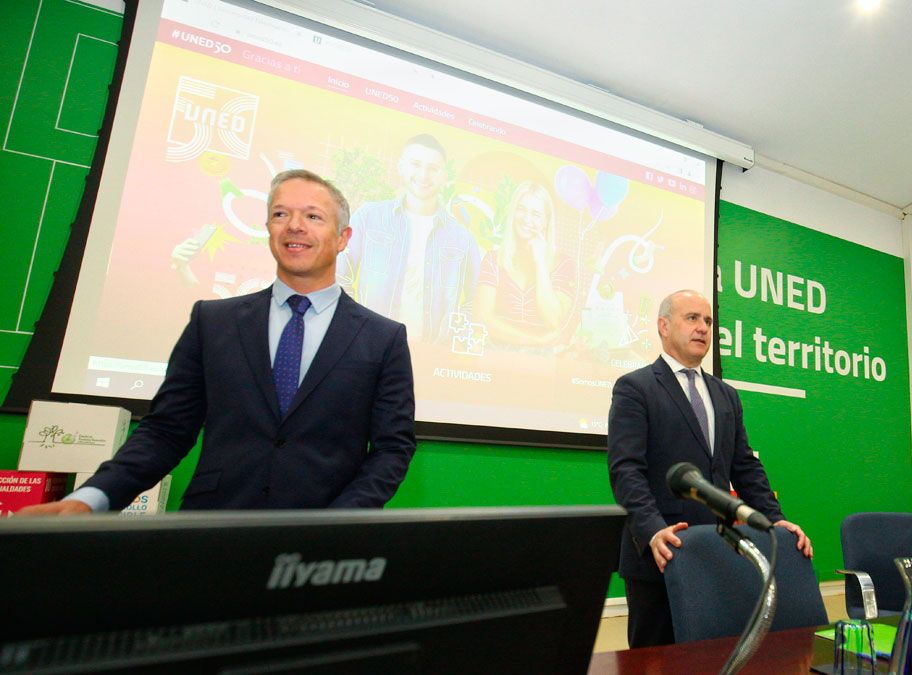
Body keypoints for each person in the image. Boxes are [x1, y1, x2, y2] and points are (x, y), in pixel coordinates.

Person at [19, 170, 416, 514]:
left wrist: (337, 522)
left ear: (343, 237)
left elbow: (392, 450)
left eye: (313, 216)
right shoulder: (213, 321)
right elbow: (166, 431)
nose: (295, 226)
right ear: (269, 229)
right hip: (212, 530)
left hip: (322, 541)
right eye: (281, 214)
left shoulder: (383, 338)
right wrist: (91, 499)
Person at [606, 289, 813, 647]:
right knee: (655, 662)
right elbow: (626, 470)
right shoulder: (635, 388)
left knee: (709, 656)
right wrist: (654, 530)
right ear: (663, 326)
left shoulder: (725, 394)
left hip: (716, 552)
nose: (703, 328)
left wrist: (775, 521)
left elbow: (744, 466)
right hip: (661, 552)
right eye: (692, 319)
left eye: (708, 321)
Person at [337, 134, 480, 342]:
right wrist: (356, 328)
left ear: (444, 175)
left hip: (433, 358)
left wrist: (451, 338)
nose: (424, 174)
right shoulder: (369, 217)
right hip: (369, 347)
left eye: (433, 168)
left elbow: (474, 300)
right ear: (401, 166)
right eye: (415, 164)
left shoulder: (462, 238)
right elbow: (340, 277)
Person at [474, 181, 575, 347]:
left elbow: (553, 320)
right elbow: (481, 319)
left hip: (542, 366)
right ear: (513, 214)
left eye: (536, 214)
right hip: (495, 360)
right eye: (521, 210)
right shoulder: (493, 259)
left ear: (546, 222)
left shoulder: (563, 263)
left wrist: (541, 263)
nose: (527, 219)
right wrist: (533, 341)